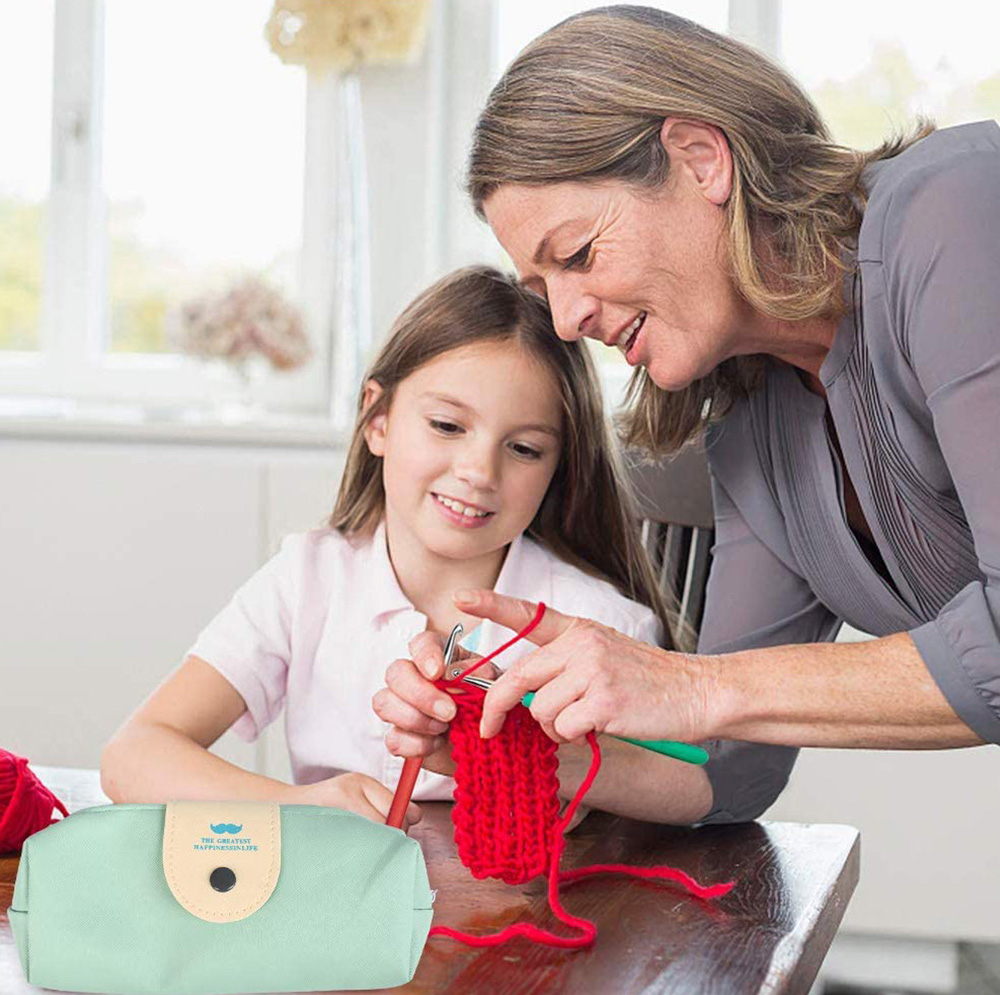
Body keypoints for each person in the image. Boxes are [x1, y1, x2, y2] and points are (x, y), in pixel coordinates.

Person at [375, 6, 1000, 825]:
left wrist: (693, 685)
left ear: (701, 159)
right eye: (542, 288)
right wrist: (513, 740)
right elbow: (728, 772)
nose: (566, 320)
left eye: (578, 255)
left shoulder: (955, 213)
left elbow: (710, 698)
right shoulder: (752, 424)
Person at [100, 265, 707, 828]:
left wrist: (535, 751)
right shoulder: (307, 579)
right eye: (446, 425)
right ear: (378, 420)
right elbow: (134, 755)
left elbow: (692, 790)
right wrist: (301, 808)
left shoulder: (594, 626)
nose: (479, 471)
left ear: (558, 467)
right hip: (340, 894)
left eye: (524, 449)